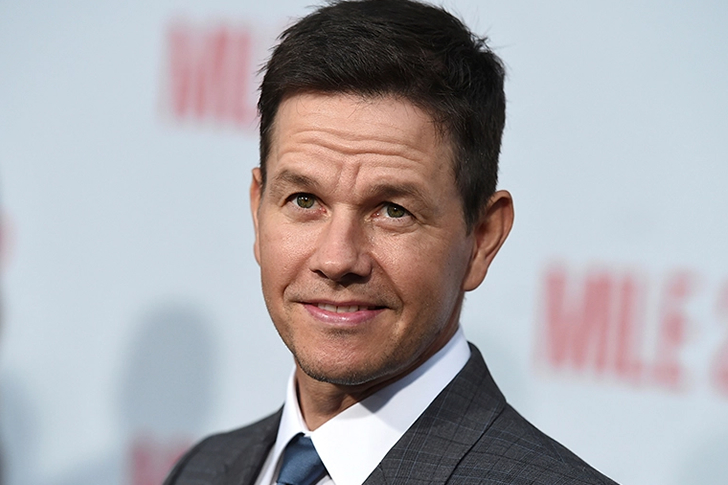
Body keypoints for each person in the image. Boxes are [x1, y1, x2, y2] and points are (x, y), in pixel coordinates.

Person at [164, 1, 618, 484]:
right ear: (258, 211)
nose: (337, 258)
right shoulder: (202, 470)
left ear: (482, 239)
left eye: (393, 210)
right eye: (304, 200)